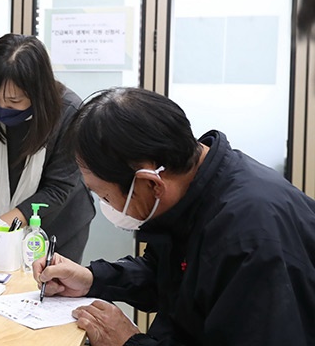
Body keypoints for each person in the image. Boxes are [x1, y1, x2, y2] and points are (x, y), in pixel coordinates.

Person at [33, 87, 315, 345]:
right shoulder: (195, 190)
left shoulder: (250, 240)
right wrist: (92, 279)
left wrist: (129, 342)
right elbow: (172, 274)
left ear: (151, 184)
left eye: (104, 196)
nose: (106, 206)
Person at [0, 33, 95, 263]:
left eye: (14, 101)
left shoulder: (69, 113)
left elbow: (58, 188)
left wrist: (0, 225)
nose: (2, 107)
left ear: (38, 92)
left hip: (58, 222)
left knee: (50, 289)